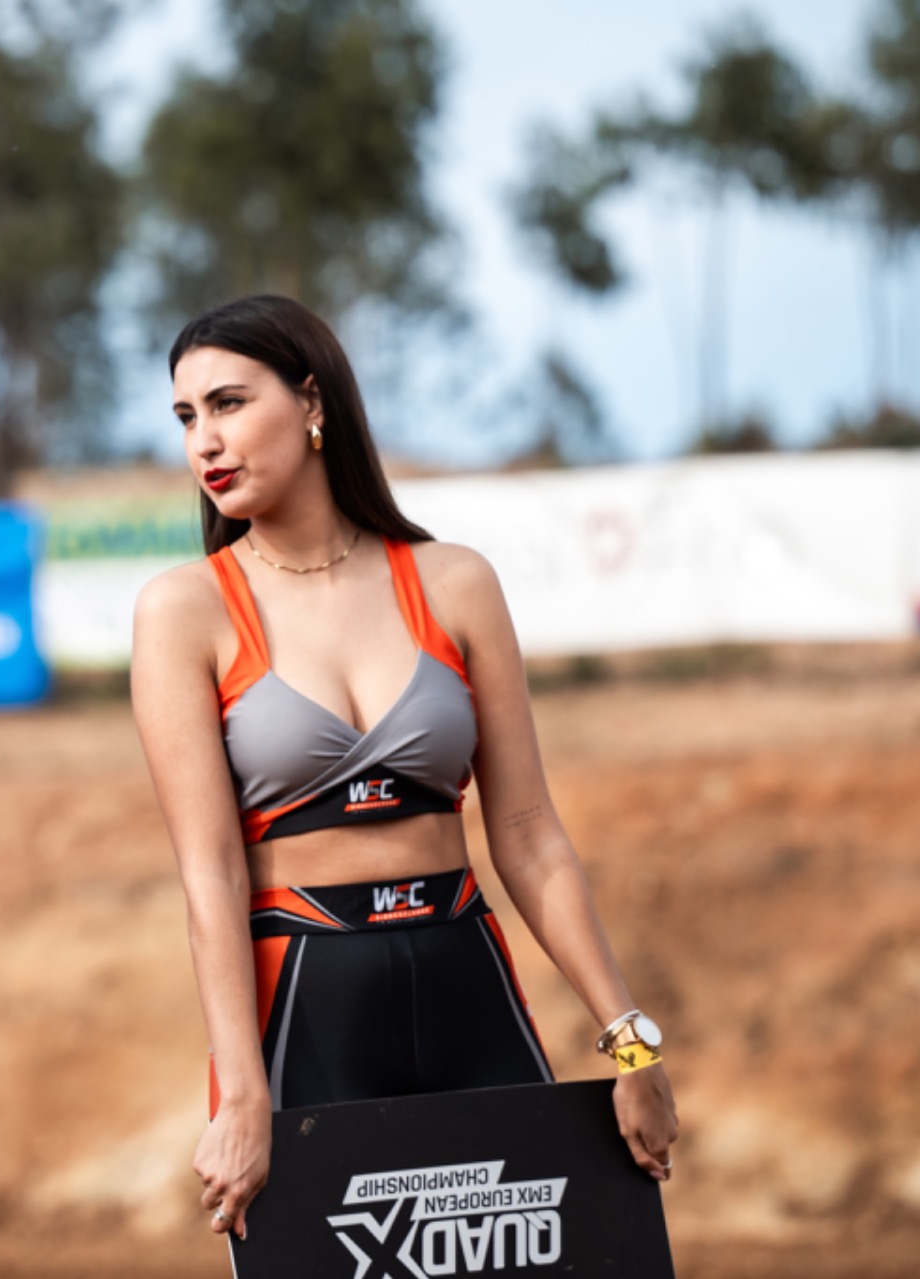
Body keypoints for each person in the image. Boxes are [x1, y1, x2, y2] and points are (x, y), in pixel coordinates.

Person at [130, 295, 678, 1245]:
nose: (204, 441)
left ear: (312, 402)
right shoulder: (183, 611)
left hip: (468, 977)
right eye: (187, 417)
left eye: (228, 403)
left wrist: (630, 1044)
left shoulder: (456, 581)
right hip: (306, 1002)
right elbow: (210, 874)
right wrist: (243, 1090)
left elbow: (528, 835)